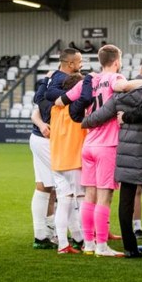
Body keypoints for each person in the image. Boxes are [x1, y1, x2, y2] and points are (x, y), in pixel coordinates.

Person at [54, 44, 139, 257]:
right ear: (117, 61)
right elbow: (124, 87)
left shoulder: (87, 80)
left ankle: (89, 244)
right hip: (106, 145)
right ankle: (102, 246)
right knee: (104, 197)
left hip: (88, 144)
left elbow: (59, 101)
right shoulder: (114, 78)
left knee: (89, 196)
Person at [81, 57, 142, 259]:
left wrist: (86, 120)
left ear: (140, 70)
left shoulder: (120, 96)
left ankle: (130, 248)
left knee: (125, 202)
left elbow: (94, 118)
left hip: (124, 155)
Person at [31, 48, 85, 252]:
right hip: (51, 140)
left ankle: (42, 234)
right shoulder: (66, 81)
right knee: (67, 192)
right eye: (79, 61)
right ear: (71, 64)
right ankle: (77, 236)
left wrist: (44, 81)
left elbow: (38, 100)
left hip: (37, 136)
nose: (81, 64)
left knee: (44, 187)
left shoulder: (51, 78)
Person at [47, 72, 89, 254]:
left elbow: (40, 98)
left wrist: (47, 80)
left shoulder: (54, 109)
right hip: (75, 161)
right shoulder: (78, 109)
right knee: (81, 201)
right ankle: (88, 241)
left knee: (64, 203)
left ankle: (64, 243)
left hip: (57, 161)